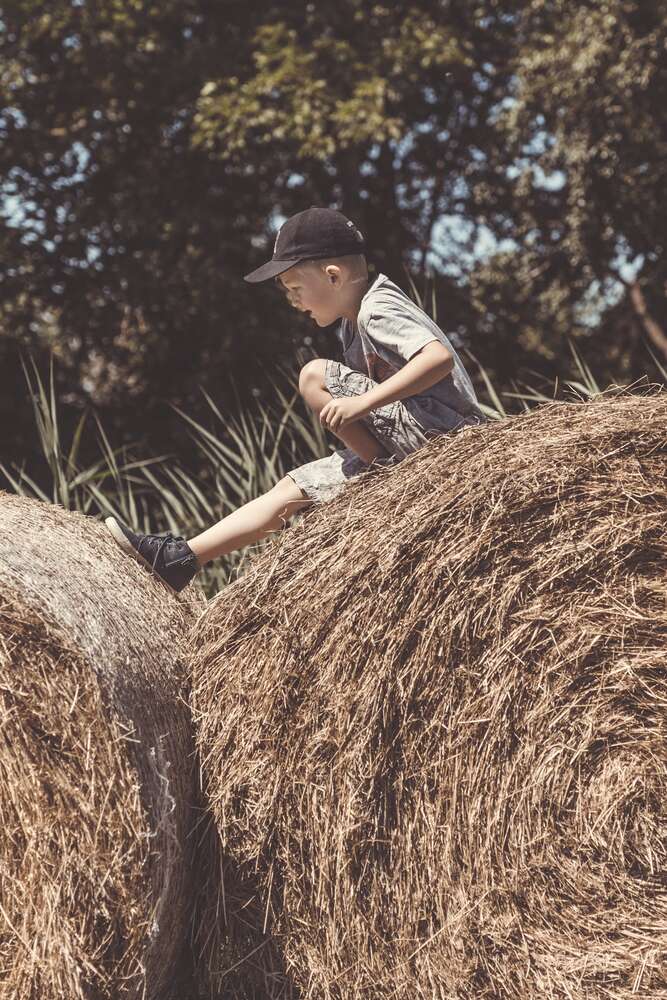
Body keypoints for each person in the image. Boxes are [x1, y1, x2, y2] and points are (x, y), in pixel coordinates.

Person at [105, 206, 486, 593]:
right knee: (293, 489)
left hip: (449, 441)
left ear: (333, 276)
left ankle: (381, 471)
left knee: (314, 375)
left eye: (294, 288)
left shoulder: (376, 309)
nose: (292, 301)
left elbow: (436, 358)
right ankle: (180, 559)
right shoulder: (353, 323)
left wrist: (362, 404)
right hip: (419, 442)